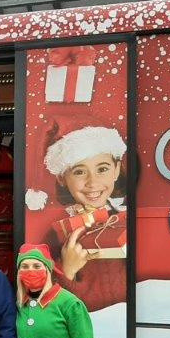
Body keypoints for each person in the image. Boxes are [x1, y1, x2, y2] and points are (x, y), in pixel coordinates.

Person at [26, 123, 128, 312]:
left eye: (102, 169)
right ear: (62, 178)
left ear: (116, 169)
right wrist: (67, 270)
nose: (92, 182)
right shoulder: (55, 235)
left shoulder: (128, 221)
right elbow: (40, 302)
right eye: (79, 172)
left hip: (126, 323)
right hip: (81, 324)